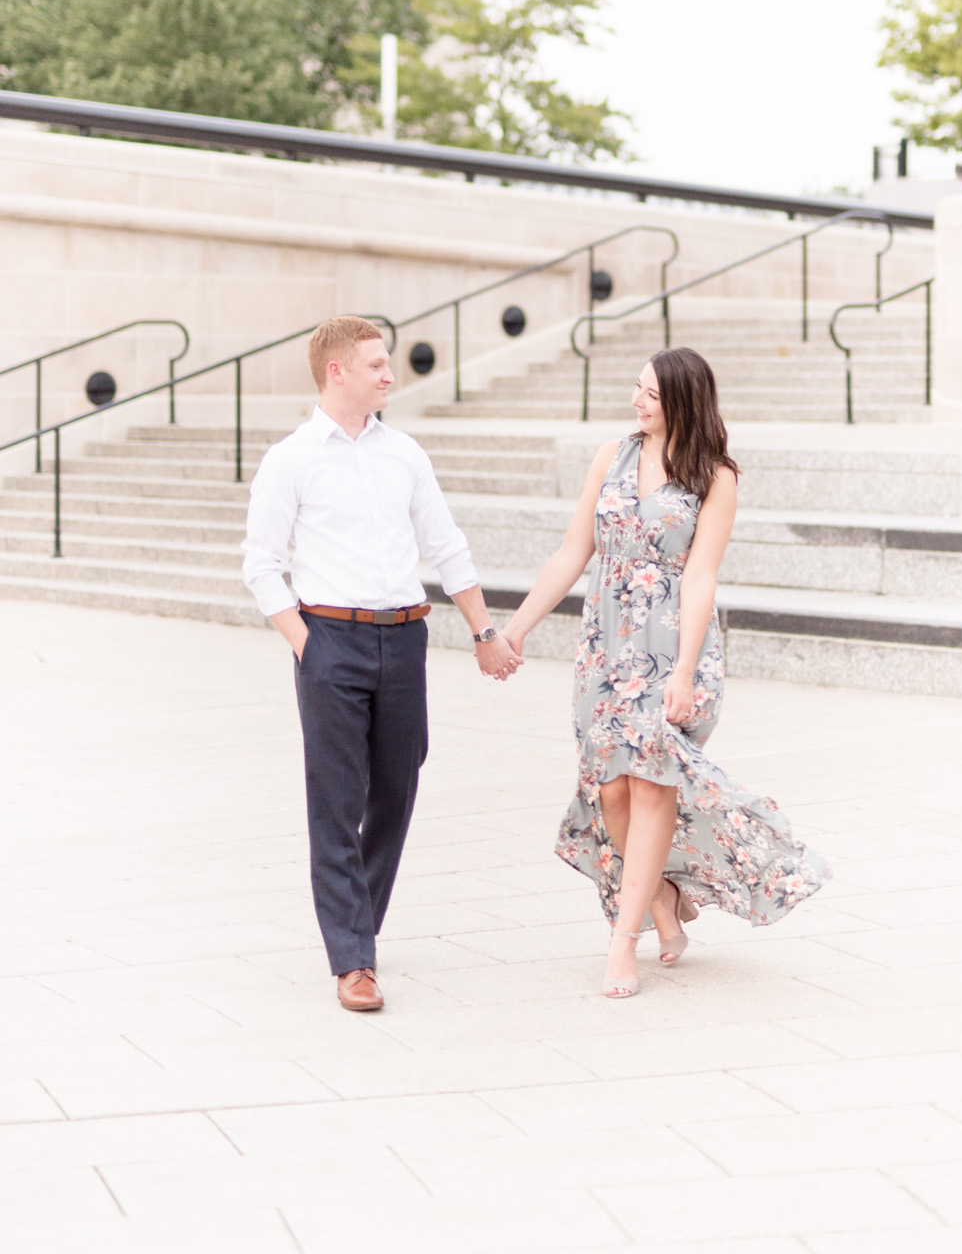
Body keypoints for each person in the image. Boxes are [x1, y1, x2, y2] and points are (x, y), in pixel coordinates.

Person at [504, 346, 830, 999]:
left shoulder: (714, 475)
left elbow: (701, 574)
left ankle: (623, 945)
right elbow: (575, 550)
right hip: (604, 647)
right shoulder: (612, 457)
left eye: (649, 394)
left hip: (673, 647)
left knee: (652, 787)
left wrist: (683, 671)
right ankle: (661, 902)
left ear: (682, 400)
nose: (636, 401)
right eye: (636, 389)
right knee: (612, 792)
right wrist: (515, 629)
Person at [241, 315, 521, 1012]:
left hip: (403, 639)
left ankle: (356, 927)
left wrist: (485, 631)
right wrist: (305, 644)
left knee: (395, 788)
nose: (389, 374)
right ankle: (353, 958)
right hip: (329, 637)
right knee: (335, 800)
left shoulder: (405, 455)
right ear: (337, 371)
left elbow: (446, 546)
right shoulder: (292, 459)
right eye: (375, 364)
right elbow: (261, 565)